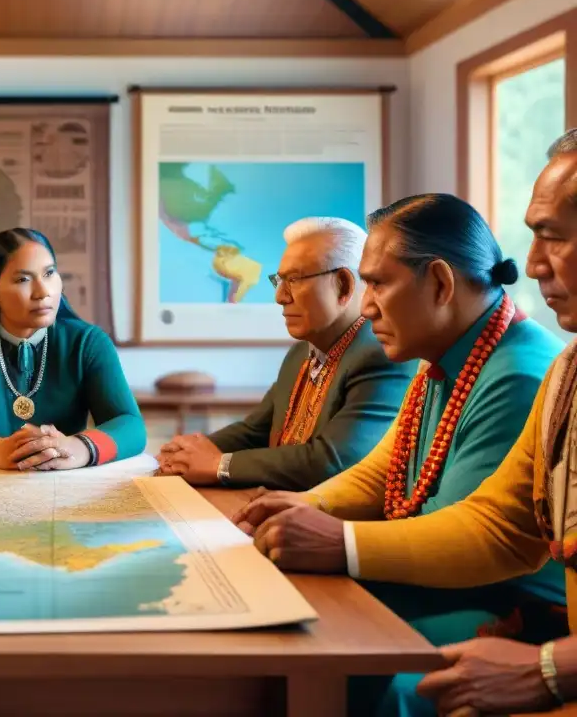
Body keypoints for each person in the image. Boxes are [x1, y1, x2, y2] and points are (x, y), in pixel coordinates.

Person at [232, 189, 572, 716]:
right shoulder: (446, 354)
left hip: (515, 603)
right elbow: (383, 471)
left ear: (439, 283)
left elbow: (478, 536)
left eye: (377, 284)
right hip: (458, 581)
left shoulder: (522, 370)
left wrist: (338, 542)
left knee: (343, 655)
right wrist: (308, 508)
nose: (365, 308)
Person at [156, 216, 413, 490]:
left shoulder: (382, 354)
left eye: (294, 280)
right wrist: (188, 453)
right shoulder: (300, 353)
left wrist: (219, 465)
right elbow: (254, 431)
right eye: (279, 280)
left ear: (344, 286)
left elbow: (332, 461)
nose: (280, 296)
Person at [0, 228, 146, 470]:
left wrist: (78, 448)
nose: (43, 292)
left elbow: (131, 425)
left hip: (62, 487)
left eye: (49, 273)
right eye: (23, 279)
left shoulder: (87, 342)